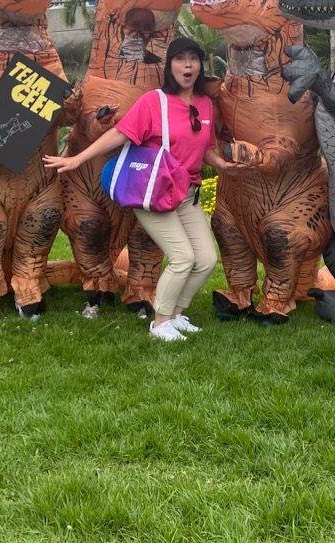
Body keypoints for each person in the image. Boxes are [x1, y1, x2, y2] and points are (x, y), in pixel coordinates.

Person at [44, 37, 236, 341]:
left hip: (187, 194)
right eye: (180, 59)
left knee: (206, 260)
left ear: (200, 65)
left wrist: (223, 165)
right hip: (154, 192)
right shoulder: (154, 101)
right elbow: (120, 134)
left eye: (193, 59)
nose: (187, 65)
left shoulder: (204, 104)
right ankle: (160, 323)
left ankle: (176, 314)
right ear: (170, 65)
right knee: (183, 259)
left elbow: (206, 147)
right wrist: (77, 159)